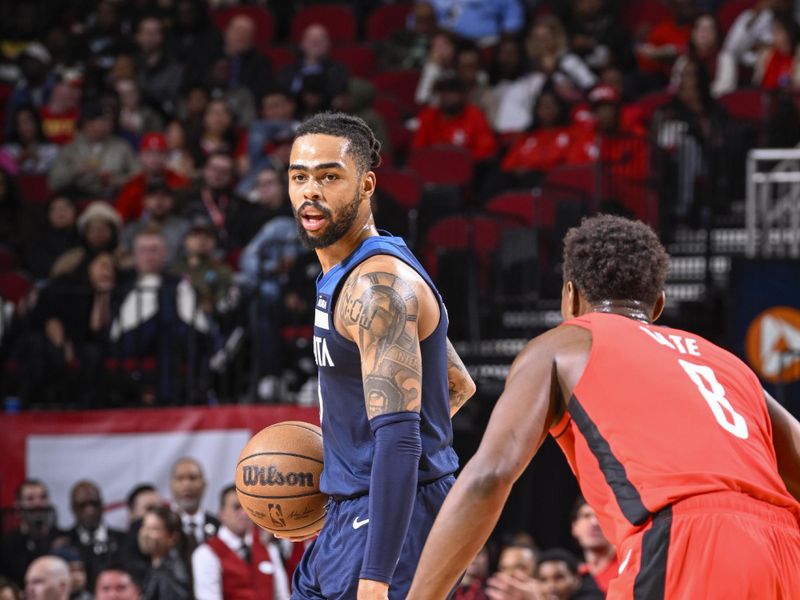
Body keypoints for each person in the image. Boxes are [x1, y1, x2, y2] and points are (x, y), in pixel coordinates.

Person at [407, 214, 800, 599]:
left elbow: (489, 476)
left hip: (686, 542)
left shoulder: (564, 345)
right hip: (785, 550)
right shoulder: (728, 363)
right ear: (658, 304)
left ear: (570, 296)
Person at [286, 112, 476, 599]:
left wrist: (378, 575)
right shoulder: (349, 271)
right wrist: (350, 457)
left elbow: (401, 441)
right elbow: (457, 384)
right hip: (358, 511)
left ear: (366, 183)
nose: (311, 191)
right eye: (299, 177)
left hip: (391, 524)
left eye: (329, 176)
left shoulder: (376, 288)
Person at [192, 484, 291, 600]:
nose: (244, 513)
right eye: (236, 507)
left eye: (247, 507)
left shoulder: (268, 549)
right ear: (222, 513)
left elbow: (282, 596)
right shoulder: (206, 553)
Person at [0, 480, 66, 588]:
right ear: (17, 505)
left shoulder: (62, 539)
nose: (38, 504)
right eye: (30, 499)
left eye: (43, 497)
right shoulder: (6, 546)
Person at [66, 481, 125, 589]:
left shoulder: (123, 540)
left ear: (102, 505)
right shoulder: (65, 543)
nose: (89, 510)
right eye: (82, 506)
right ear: (73, 508)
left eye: (94, 504)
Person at [137, 506, 192, 600]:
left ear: (172, 538)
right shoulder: (156, 567)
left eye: (154, 529)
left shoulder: (171, 573)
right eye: (144, 526)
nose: (145, 534)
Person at [169, 457, 219, 549]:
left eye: (192, 478)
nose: (187, 485)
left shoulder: (219, 526)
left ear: (204, 485)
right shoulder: (161, 525)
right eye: (180, 479)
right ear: (171, 485)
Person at [570, 496, 617, 595]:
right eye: (586, 516)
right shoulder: (574, 576)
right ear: (575, 527)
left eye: (601, 516)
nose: (594, 523)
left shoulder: (630, 567)